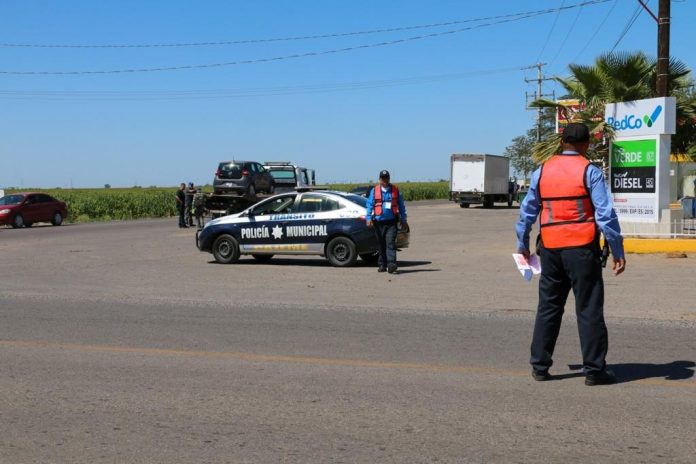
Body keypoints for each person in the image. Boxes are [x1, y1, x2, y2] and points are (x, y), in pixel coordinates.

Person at [515, 122, 626, 386]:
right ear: (586, 144)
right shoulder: (590, 172)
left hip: (551, 249)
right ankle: (594, 370)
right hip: (582, 250)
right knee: (588, 309)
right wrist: (618, 250)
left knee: (549, 308)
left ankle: (540, 367)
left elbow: (526, 212)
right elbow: (605, 215)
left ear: (562, 142)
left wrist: (523, 243)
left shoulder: (541, 171)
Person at [365, 170, 408, 274]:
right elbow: (369, 205)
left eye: (386, 178)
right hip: (378, 223)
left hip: (391, 222)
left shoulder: (395, 190)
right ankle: (382, 264)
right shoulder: (375, 191)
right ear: (380, 179)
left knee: (390, 244)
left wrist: (403, 219)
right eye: (383, 178)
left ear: (389, 178)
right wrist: (368, 218)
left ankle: (391, 264)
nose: (385, 180)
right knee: (381, 244)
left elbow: (401, 206)